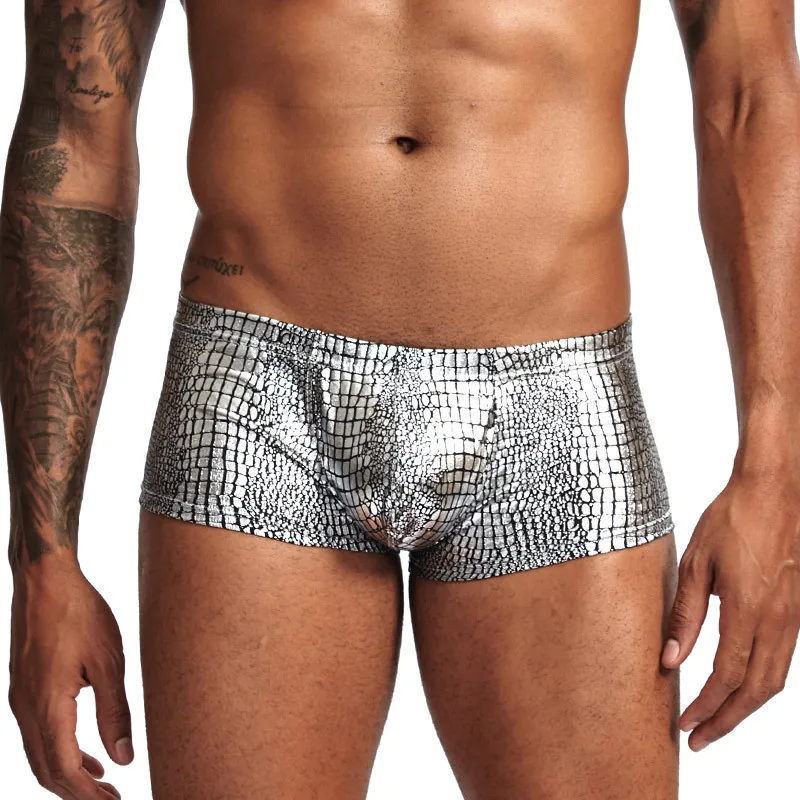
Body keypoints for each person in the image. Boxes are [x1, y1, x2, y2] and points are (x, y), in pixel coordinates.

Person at [3, 0, 799, 797]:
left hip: (555, 407)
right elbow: (74, 125)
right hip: (256, 394)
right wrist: (43, 559)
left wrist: (773, 473)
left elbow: (749, 90)